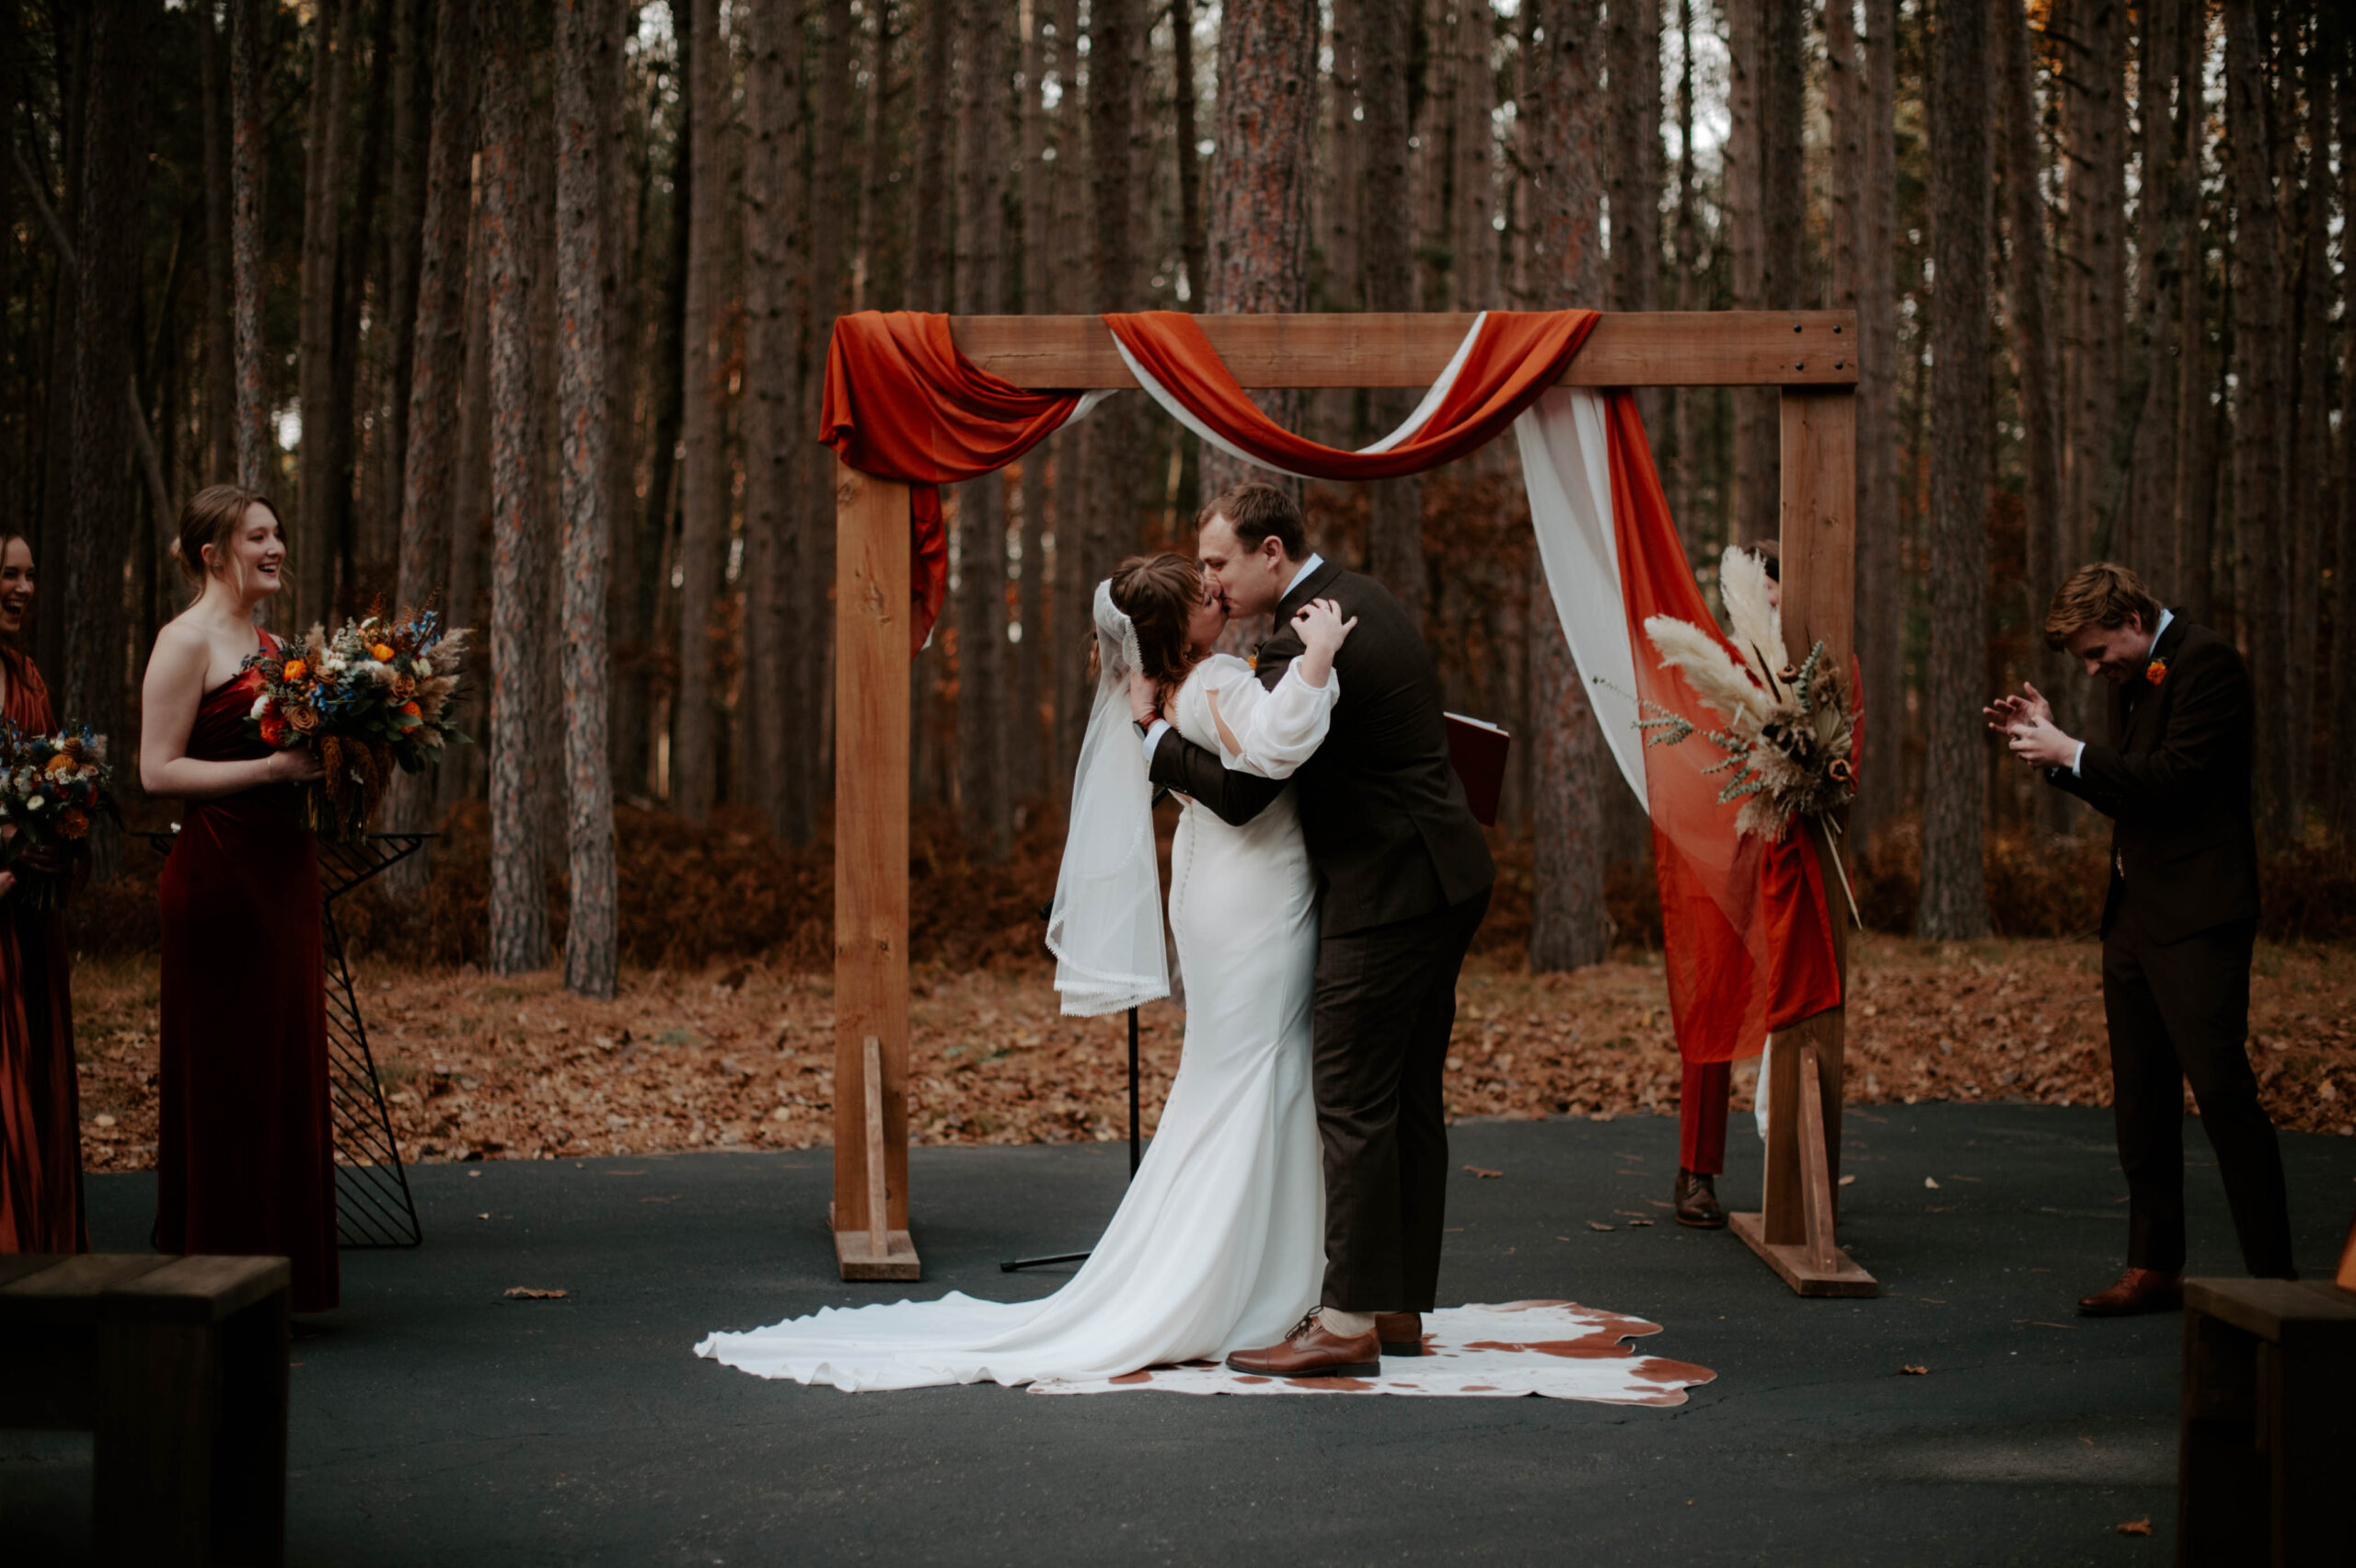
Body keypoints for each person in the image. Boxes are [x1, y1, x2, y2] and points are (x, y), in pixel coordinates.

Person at [697, 554, 1359, 1389]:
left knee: (1231, 1076)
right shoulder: (1219, 679)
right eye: (1200, 593)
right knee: (1260, 1072)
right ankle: (1253, 1289)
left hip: (1212, 888)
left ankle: (1242, 1277)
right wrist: (1317, 663)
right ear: (1172, 628)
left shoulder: (1165, 693)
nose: (1214, 592)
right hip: (1253, 895)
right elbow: (1274, 746)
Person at [1143, 482, 1495, 1378]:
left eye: (1220, 562)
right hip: (1443, 871)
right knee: (1407, 1096)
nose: (1211, 582)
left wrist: (1151, 737)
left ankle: (1343, 1324)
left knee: (1348, 1096)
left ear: (1271, 553)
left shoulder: (1308, 633)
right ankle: (1396, 1304)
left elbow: (1248, 789)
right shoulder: (1353, 597)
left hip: (1389, 891)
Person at [1987, 562, 2293, 1316]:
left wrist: (2073, 751)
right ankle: (2155, 1267)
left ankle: (2282, 1283)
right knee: (2141, 1100)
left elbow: (2177, 780)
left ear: (2130, 616)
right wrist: (2055, 758)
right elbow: (2130, 790)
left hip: (2199, 918)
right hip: (2132, 918)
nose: (2096, 669)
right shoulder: (2136, 676)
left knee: (2224, 1096)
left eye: (2097, 653)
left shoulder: (2208, 663)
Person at [141, 485, 336, 1313]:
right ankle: (218, 1279)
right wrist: (269, 771)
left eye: (280, 533)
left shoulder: (276, 645)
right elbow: (157, 770)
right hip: (218, 880)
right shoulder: (183, 642)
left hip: (283, 878)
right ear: (211, 552)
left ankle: (279, 1275)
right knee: (226, 1073)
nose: (276, 547)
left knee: (281, 1068)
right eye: (257, 536)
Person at [1673, 540, 1783, 1229]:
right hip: (1720, 849)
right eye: (1764, 590)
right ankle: (1695, 1171)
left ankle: (1798, 1170)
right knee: (1713, 1004)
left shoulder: (1816, 661)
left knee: (1800, 1002)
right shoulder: (1720, 660)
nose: (1771, 603)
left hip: (1791, 847)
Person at [0, 532, 87, 1253]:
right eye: (7, 574)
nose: (22, 589)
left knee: (35, 1071)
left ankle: (40, 1244)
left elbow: (51, 781)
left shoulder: (30, 678)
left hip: (31, 907)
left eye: (30, 575)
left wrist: (62, 831)